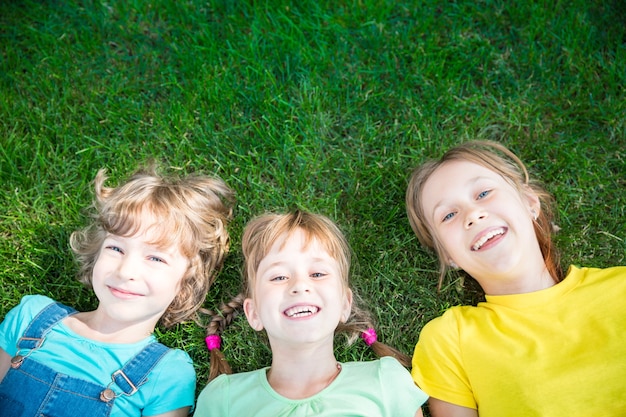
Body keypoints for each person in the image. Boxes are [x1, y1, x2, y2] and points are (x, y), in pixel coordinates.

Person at [405, 140, 626, 416]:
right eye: (449, 215)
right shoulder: (451, 340)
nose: (473, 215)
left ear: (530, 203)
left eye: (484, 193)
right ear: (447, 256)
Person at [0, 164, 234, 417]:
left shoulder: (167, 372)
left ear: (187, 281)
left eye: (156, 258)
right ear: (96, 251)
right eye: (116, 249)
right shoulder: (31, 316)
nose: (125, 271)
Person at [194, 210, 428, 417]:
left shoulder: (385, 382)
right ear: (253, 313)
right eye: (278, 277)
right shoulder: (222, 401)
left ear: (345, 304)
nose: (299, 285)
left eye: (317, 274)